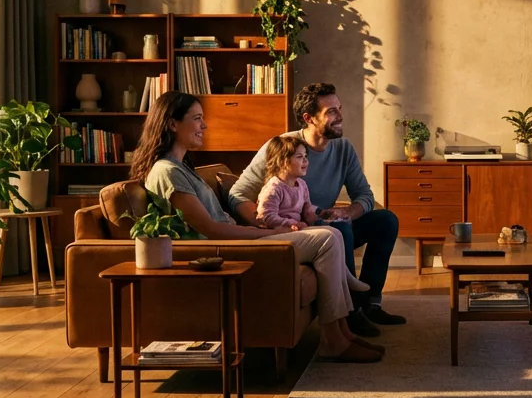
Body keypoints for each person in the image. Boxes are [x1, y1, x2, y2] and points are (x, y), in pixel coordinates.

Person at [129, 90, 382, 363]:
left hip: (237, 240)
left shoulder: (182, 168)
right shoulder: (167, 172)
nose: (204, 125)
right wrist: (267, 231)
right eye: (197, 118)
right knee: (327, 239)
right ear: (172, 124)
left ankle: (342, 331)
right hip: (225, 250)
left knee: (332, 232)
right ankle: (333, 340)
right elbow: (211, 230)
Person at [231, 82, 404, 337]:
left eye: (339, 108)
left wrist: (346, 212)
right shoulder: (283, 147)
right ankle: (350, 311)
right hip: (299, 231)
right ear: (309, 118)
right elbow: (237, 194)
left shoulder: (343, 148)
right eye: (331, 111)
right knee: (341, 230)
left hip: (321, 220)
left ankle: (370, 303)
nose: (340, 116)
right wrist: (268, 225)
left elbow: (365, 196)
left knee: (386, 220)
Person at [254, 134, 368, 293]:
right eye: (299, 157)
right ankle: (348, 280)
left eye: (306, 156)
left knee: (336, 231)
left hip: (298, 228)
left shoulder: (301, 185)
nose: (306, 161)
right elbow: (265, 216)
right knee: (332, 235)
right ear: (283, 161)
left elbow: (307, 208)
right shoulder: (274, 188)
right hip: (282, 232)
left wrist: (321, 215)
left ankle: (346, 277)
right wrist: (291, 223)